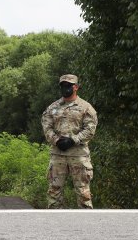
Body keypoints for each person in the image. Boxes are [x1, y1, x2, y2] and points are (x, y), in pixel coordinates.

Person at [41, 74, 98, 209]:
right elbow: (46, 126)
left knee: (83, 193)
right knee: (54, 192)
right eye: (62, 85)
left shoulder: (86, 107)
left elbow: (90, 128)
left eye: (68, 85)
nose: (65, 88)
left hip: (78, 155)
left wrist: (73, 140)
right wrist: (56, 140)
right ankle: (56, 224)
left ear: (76, 87)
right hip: (58, 154)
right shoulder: (52, 107)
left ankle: (86, 224)